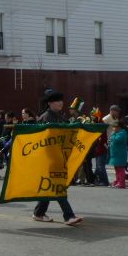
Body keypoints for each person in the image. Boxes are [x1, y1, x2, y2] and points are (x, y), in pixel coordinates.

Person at [32, 89, 83, 225]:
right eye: (56, 101)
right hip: (49, 159)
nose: (60, 103)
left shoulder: (60, 116)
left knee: (50, 187)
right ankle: (68, 216)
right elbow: (40, 139)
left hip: (60, 157)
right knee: (58, 187)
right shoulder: (45, 117)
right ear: (49, 103)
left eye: (61, 100)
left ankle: (39, 213)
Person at [108, 118, 128, 189]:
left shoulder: (122, 133)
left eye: (114, 127)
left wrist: (112, 135)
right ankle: (117, 181)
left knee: (120, 169)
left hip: (120, 155)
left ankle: (122, 183)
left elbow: (117, 140)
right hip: (115, 154)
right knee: (116, 169)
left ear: (118, 127)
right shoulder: (116, 133)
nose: (113, 128)